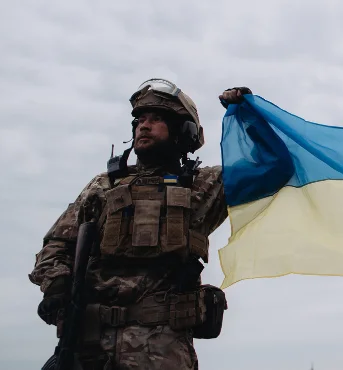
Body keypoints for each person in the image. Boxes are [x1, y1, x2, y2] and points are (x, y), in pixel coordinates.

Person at [29, 80, 255, 369]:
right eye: (140, 120)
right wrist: (57, 286)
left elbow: (274, 166)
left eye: (156, 119)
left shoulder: (204, 186)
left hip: (162, 348)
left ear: (182, 131)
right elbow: (58, 244)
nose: (144, 126)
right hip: (90, 346)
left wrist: (247, 115)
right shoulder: (104, 185)